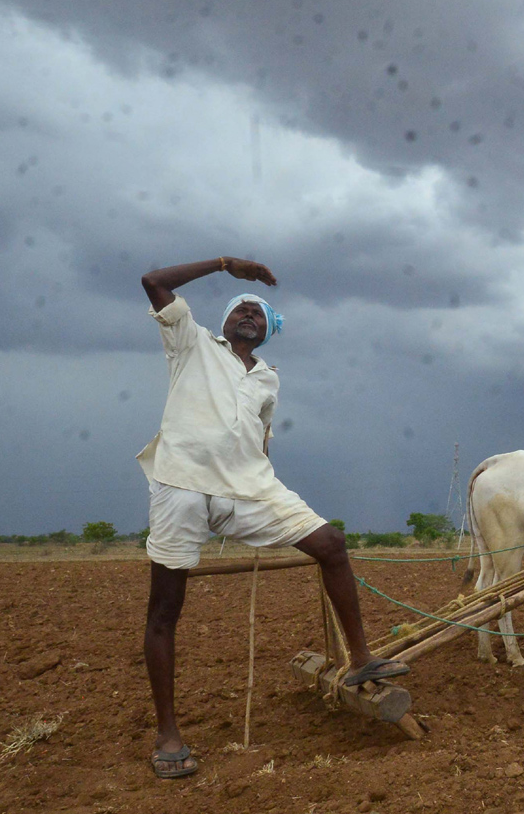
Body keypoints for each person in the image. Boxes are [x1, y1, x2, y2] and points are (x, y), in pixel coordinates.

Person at [137, 256, 409, 779]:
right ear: (222, 321)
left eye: (259, 315)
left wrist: (264, 484)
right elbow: (153, 281)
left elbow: (261, 436)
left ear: (268, 334)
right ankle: (168, 733)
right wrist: (223, 264)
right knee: (165, 609)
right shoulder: (191, 343)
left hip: (252, 487)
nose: (248, 315)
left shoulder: (267, 379)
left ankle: (360, 658)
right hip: (181, 484)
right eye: (240, 308)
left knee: (330, 542)